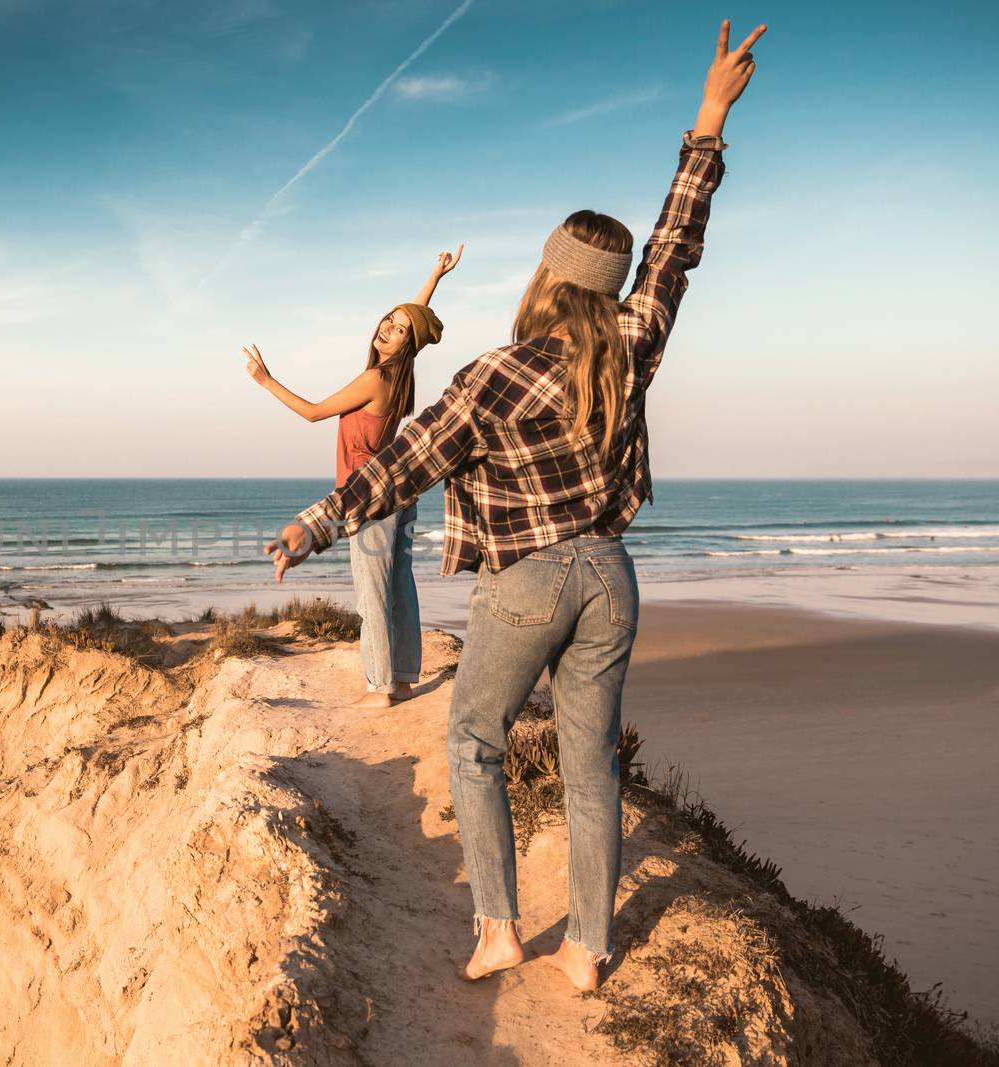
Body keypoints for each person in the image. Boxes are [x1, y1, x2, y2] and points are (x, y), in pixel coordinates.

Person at [263, 19, 766, 991]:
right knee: (590, 764)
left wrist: (315, 524)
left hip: (527, 582)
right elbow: (674, 244)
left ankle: (500, 930)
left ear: (542, 276)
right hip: (611, 576)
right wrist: (708, 117)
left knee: (473, 738)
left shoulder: (496, 374)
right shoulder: (632, 341)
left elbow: (405, 460)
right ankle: (586, 948)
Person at [243, 247, 462, 708]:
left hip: (369, 498)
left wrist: (266, 380)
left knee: (372, 595)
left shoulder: (376, 379)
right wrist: (434, 276)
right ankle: (401, 679)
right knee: (400, 588)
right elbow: (416, 328)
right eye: (389, 319)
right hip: (400, 493)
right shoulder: (401, 378)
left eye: (400, 329)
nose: (389, 328)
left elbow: (313, 413)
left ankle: (379, 688)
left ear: (407, 343)